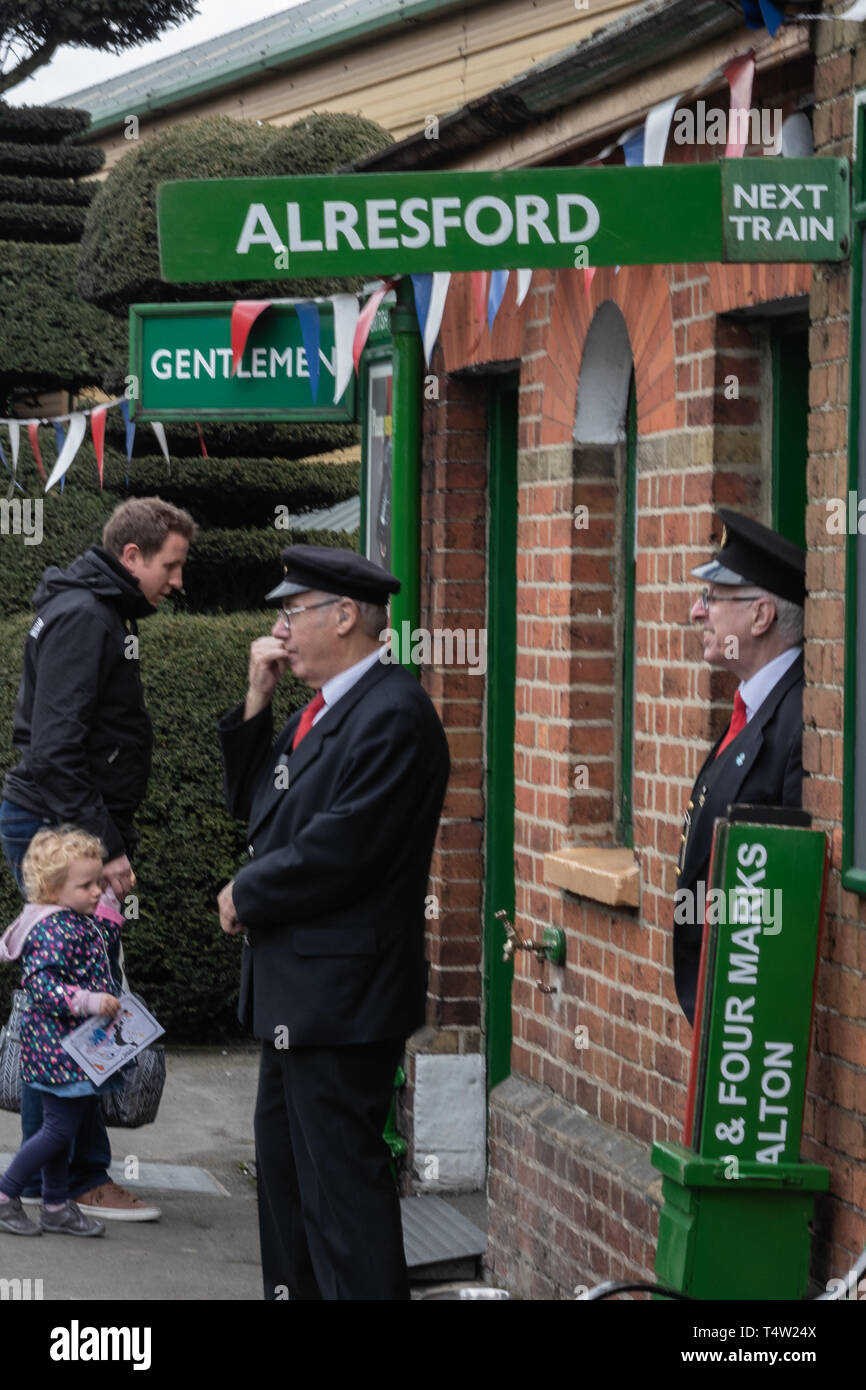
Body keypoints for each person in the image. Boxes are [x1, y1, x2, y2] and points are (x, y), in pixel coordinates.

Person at [216, 544, 450, 1300]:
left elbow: (343, 847)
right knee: (287, 1186)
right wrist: (258, 699)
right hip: (299, 994)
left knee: (341, 1197)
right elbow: (257, 808)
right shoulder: (322, 710)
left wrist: (248, 892)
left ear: (345, 616)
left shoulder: (393, 713)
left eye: (293, 612)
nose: (280, 629)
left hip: (343, 998)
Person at [0, 496, 195, 1220]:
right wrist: (105, 851)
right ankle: (76, 1178)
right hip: (63, 832)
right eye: (170, 565)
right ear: (132, 557)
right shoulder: (87, 616)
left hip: (60, 826)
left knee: (69, 1007)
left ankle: (64, 1179)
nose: (177, 582)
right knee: (67, 1010)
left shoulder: (89, 609)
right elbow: (57, 749)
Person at [674, 508, 806, 1025]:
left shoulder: (800, 719)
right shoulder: (754, 705)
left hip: (754, 1019)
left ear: (760, 616)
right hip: (721, 1005)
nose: (695, 612)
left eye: (711, 598)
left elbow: (792, 888)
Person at [0, 827, 125, 1238]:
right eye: (87, 885)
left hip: (66, 1047)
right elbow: (44, 987)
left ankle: (55, 1204)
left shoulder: (73, 919)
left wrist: (109, 901)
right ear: (54, 890)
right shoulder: (51, 929)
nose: (95, 891)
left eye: (97, 884)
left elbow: (99, 939)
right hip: (57, 1046)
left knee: (58, 1129)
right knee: (57, 1131)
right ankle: (5, 1195)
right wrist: (92, 1001)